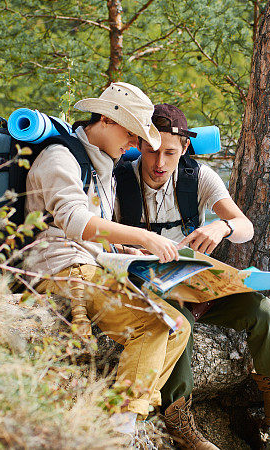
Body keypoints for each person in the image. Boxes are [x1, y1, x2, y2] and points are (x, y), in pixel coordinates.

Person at [113, 104, 270, 449]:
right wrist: (127, 250)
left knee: (262, 311)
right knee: (176, 323)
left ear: (184, 148)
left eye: (170, 152)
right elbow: (96, 233)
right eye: (152, 150)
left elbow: (246, 227)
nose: (160, 163)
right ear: (140, 143)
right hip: (146, 285)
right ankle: (179, 419)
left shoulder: (196, 177)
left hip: (197, 283)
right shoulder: (118, 177)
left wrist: (222, 226)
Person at [22, 83, 191, 434]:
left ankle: (117, 413)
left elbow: (97, 231)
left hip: (87, 265)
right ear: (106, 119)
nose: (133, 144)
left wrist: (127, 251)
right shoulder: (61, 158)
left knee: (180, 327)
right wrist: (144, 235)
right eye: (131, 133)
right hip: (59, 268)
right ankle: (120, 425)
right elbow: (76, 222)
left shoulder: (102, 165)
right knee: (155, 323)